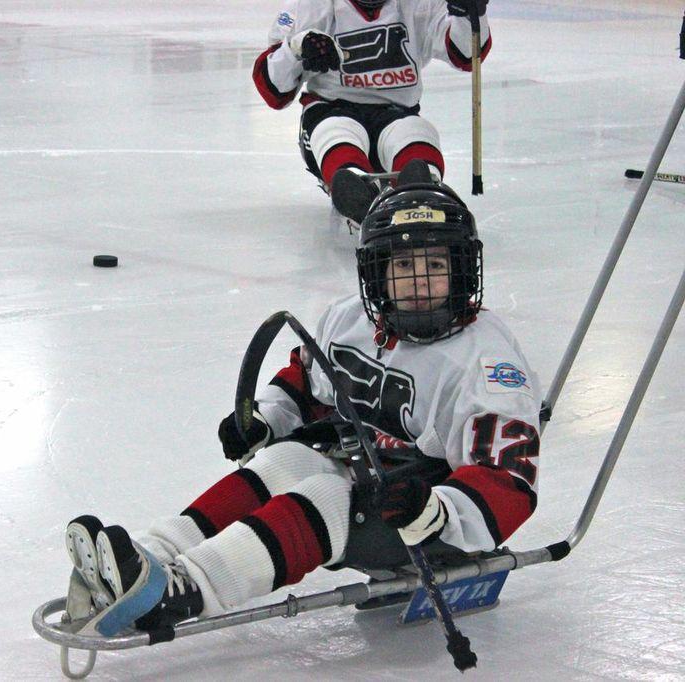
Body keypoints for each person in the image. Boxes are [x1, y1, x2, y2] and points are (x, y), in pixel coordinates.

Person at [62, 181, 540, 638]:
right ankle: (153, 557)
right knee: (282, 461)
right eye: (403, 266)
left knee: (328, 496)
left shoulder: (488, 364)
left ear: (462, 270)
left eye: (435, 265)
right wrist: (265, 420)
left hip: (424, 516)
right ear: (376, 272)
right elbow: (309, 385)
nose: (418, 282)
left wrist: (432, 511)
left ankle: (184, 590)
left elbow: (508, 484)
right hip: (366, 472)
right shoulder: (349, 318)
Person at [251, 0, 491, 229]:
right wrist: (297, 49)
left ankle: (421, 187)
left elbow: (467, 56)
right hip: (331, 109)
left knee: (415, 133)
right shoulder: (312, 6)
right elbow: (274, 91)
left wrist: (468, 15)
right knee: (335, 131)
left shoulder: (419, 5)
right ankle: (353, 183)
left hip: (397, 113)